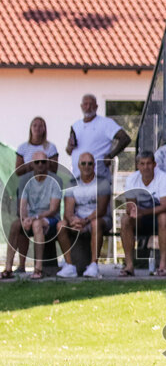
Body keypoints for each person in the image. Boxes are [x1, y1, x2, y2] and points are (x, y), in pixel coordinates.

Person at [120, 151, 166, 277]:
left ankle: (163, 265)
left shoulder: (163, 178)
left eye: (148, 163)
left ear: (154, 164)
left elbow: (165, 206)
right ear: (137, 166)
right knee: (125, 220)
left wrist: (142, 212)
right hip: (143, 218)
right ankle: (129, 266)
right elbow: (130, 206)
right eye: (142, 164)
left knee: (163, 218)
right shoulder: (132, 179)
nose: (146, 167)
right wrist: (133, 212)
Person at [11, 117, 59, 273]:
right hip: (29, 191)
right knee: (20, 224)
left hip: (45, 195)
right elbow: (18, 170)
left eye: (41, 125)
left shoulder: (50, 147)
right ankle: (17, 266)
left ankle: (38, 268)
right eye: (35, 125)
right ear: (30, 128)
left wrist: (37, 168)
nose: (38, 128)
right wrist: (33, 167)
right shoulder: (22, 147)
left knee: (37, 224)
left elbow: (54, 169)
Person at [5, 151, 61, 279]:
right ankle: (8, 268)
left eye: (43, 162)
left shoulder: (54, 182)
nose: (40, 165)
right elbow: (22, 205)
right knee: (15, 225)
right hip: (31, 217)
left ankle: (38, 269)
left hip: (50, 219)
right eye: (37, 162)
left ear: (48, 164)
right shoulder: (26, 181)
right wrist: (24, 219)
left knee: (36, 225)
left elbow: (53, 209)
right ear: (32, 165)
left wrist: (35, 218)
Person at [55, 152, 111, 279]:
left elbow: (101, 209)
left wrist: (84, 221)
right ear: (78, 166)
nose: (87, 166)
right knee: (61, 225)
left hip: (99, 219)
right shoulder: (71, 184)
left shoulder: (102, 183)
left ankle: (93, 265)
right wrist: (73, 221)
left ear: (94, 166)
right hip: (79, 220)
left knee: (95, 223)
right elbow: (68, 211)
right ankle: (69, 266)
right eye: (83, 163)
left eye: (90, 164)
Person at [66, 94, 130, 180]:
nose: (88, 107)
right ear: (81, 106)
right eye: (85, 104)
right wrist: (69, 147)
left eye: (91, 104)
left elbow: (125, 139)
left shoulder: (106, 123)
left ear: (96, 107)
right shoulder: (76, 125)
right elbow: (69, 151)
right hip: (77, 177)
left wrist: (110, 156)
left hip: (98, 178)